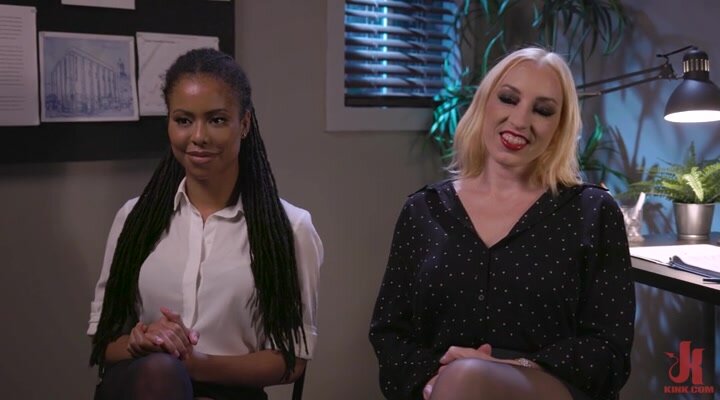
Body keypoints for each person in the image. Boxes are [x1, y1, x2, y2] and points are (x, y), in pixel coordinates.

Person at [369, 47, 635, 400]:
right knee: (462, 379)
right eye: (509, 99)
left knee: (467, 377)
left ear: (559, 127)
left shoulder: (593, 212)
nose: (520, 120)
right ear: (484, 104)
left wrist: (515, 367)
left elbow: (610, 349)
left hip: (552, 384)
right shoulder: (423, 210)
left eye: (542, 110)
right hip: (440, 390)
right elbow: (389, 334)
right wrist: (433, 380)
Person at [87, 48, 323, 400]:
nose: (198, 136)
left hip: (231, 393)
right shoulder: (133, 219)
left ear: (244, 124)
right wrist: (143, 340)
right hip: (144, 384)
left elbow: (290, 361)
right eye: (183, 120)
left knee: (168, 371)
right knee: (159, 372)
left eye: (216, 120)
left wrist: (194, 364)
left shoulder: (291, 228)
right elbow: (105, 341)